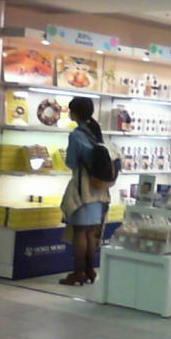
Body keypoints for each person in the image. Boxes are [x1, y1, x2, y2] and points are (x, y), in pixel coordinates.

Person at [59, 97, 110, 286]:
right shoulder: (95, 132)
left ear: (75, 112)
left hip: (84, 189)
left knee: (79, 232)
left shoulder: (76, 135)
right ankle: (90, 271)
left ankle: (78, 273)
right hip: (99, 190)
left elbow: (71, 162)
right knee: (90, 233)